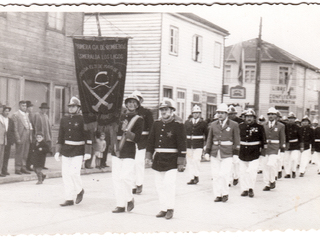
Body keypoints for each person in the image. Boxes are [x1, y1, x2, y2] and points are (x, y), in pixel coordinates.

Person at [146, 98, 186, 220]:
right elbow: (151, 141)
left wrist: (181, 162)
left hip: (172, 160)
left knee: (169, 184)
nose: (163, 112)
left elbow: (182, 145)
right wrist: (148, 156)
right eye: (162, 109)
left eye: (166, 109)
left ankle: (170, 208)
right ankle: (163, 208)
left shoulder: (178, 125)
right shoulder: (156, 124)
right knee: (159, 186)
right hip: (158, 158)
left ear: (172, 110)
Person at [54, 96, 92, 207]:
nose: (71, 108)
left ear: (78, 108)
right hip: (66, 149)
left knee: (74, 173)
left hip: (78, 150)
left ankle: (79, 190)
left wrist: (88, 152)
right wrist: (57, 151)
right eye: (69, 106)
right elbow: (61, 136)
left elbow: (88, 136)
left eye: (73, 106)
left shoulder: (83, 119)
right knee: (65, 174)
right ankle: (69, 198)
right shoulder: (64, 119)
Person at [111, 94, 144, 213]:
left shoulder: (138, 119)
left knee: (125, 177)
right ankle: (120, 204)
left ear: (137, 105)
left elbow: (137, 138)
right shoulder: (119, 117)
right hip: (117, 149)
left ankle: (129, 199)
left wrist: (127, 130)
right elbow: (113, 132)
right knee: (116, 179)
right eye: (129, 102)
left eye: (133, 102)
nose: (131, 104)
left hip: (129, 149)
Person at [204, 103, 240, 203]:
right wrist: (207, 151)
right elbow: (209, 138)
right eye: (218, 113)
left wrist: (236, 153)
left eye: (222, 113)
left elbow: (237, 140)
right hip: (215, 152)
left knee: (224, 174)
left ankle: (225, 193)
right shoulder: (213, 124)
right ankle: (218, 194)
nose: (220, 115)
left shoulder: (233, 125)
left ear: (226, 114)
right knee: (215, 175)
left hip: (227, 153)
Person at [238, 109, 266, 198]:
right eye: (247, 117)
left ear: (254, 118)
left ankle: (251, 188)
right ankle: (244, 189)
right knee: (242, 172)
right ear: (244, 117)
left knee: (252, 171)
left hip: (254, 152)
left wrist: (263, 152)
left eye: (251, 117)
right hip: (242, 152)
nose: (249, 118)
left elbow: (263, 140)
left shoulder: (259, 127)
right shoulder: (240, 126)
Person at [131, 90, 154, 194]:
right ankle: (133, 185)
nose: (136, 102)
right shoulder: (128, 112)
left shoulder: (146, 112)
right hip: (130, 141)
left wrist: (150, 143)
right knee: (131, 163)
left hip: (142, 141)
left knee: (139, 163)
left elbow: (151, 128)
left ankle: (139, 184)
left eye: (138, 99)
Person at [261, 107, 285, 191]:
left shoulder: (281, 126)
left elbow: (282, 138)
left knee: (271, 164)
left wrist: (282, 148)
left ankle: (272, 180)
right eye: (269, 114)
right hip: (265, 147)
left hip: (275, 147)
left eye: (273, 114)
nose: (271, 116)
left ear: (276, 116)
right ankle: (267, 184)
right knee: (265, 166)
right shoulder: (263, 125)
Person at [184, 104, 208, 185]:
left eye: (197, 113)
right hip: (188, 145)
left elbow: (207, 134)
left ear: (200, 114)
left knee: (196, 160)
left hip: (198, 145)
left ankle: (196, 176)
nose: (195, 114)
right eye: (194, 113)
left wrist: (206, 145)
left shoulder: (203, 123)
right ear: (192, 113)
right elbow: (183, 133)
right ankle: (191, 177)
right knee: (189, 161)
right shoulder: (187, 122)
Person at [12, 100, 33, 175]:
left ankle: (23, 167)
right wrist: (17, 138)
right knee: (19, 152)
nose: (24, 107)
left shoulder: (26, 114)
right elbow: (15, 128)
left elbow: (28, 125)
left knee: (25, 152)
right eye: (23, 106)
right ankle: (17, 168)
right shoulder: (16, 115)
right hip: (21, 135)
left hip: (27, 135)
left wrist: (30, 136)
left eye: (25, 106)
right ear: (19, 106)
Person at [228, 105, 243, 187]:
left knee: (236, 162)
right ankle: (229, 180)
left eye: (232, 114)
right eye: (229, 114)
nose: (231, 116)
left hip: (237, 143)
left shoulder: (240, 122)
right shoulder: (226, 122)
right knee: (229, 163)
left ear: (235, 114)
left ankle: (236, 176)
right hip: (228, 143)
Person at [33, 102, 52, 169]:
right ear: (41, 109)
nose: (45, 110)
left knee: (43, 151)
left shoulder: (46, 116)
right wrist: (36, 136)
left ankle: (42, 165)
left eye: (46, 109)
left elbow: (48, 127)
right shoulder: (37, 115)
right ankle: (36, 165)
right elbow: (35, 125)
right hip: (39, 136)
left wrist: (49, 136)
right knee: (38, 151)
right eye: (43, 108)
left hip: (45, 137)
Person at [283, 112, 301, 178]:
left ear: (294, 119)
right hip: (287, 145)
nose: (291, 120)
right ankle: (287, 173)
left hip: (295, 145)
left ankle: (293, 171)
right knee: (286, 159)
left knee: (294, 158)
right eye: (290, 118)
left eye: (292, 118)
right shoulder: (285, 127)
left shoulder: (298, 127)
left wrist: (301, 146)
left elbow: (300, 137)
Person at [1, 105, 15, 176]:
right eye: (5, 111)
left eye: (8, 111)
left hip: (8, 141)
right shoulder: (1, 119)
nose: (7, 113)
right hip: (1, 140)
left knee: (6, 156)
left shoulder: (10, 120)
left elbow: (12, 131)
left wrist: (11, 140)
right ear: (2, 112)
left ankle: (4, 170)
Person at [26, 101, 35, 171]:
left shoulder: (32, 115)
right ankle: (26, 165)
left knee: (31, 151)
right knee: (27, 151)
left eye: (32, 107)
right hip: (27, 135)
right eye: (30, 107)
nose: (31, 108)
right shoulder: (26, 115)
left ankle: (29, 165)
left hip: (32, 135)